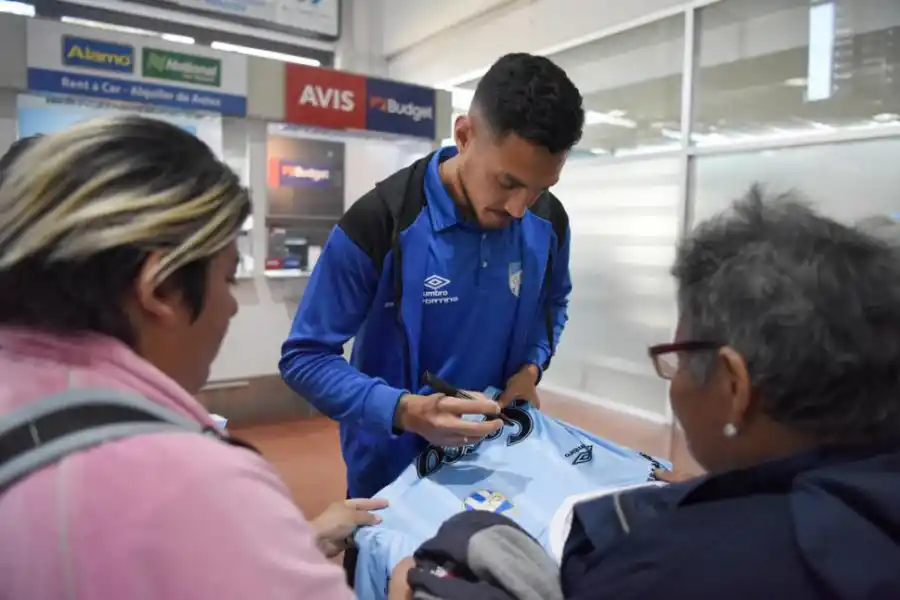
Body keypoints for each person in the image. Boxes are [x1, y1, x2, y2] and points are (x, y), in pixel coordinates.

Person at [388, 188, 900, 600]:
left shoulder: (667, 571)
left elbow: (554, 305)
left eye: (678, 360)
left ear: (734, 386)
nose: (517, 205)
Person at [0, 118, 384, 600]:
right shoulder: (190, 482)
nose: (230, 307)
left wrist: (286, 543)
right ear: (161, 287)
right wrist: (404, 582)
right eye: (226, 279)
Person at [280, 52, 585, 508]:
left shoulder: (548, 221)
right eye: (507, 183)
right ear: (464, 135)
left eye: (541, 188)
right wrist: (404, 411)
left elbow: (552, 302)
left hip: (498, 467)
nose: (520, 208)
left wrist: (530, 369)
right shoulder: (382, 222)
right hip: (391, 481)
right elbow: (304, 357)